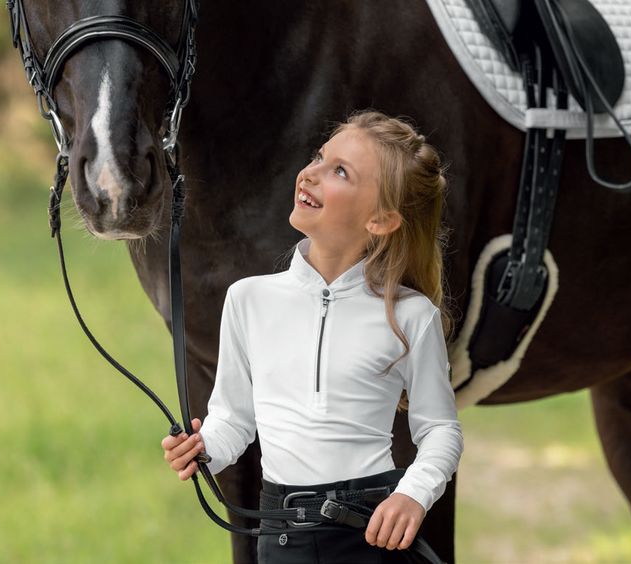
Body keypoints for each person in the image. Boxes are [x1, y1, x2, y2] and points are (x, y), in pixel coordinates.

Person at [161, 110, 463, 563]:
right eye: (320, 158)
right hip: (282, 537)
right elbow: (234, 420)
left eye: (339, 171)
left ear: (380, 219)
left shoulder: (410, 316)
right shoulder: (249, 300)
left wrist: (414, 494)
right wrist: (205, 449)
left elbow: (440, 429)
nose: (310, 174)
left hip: (372, 532)